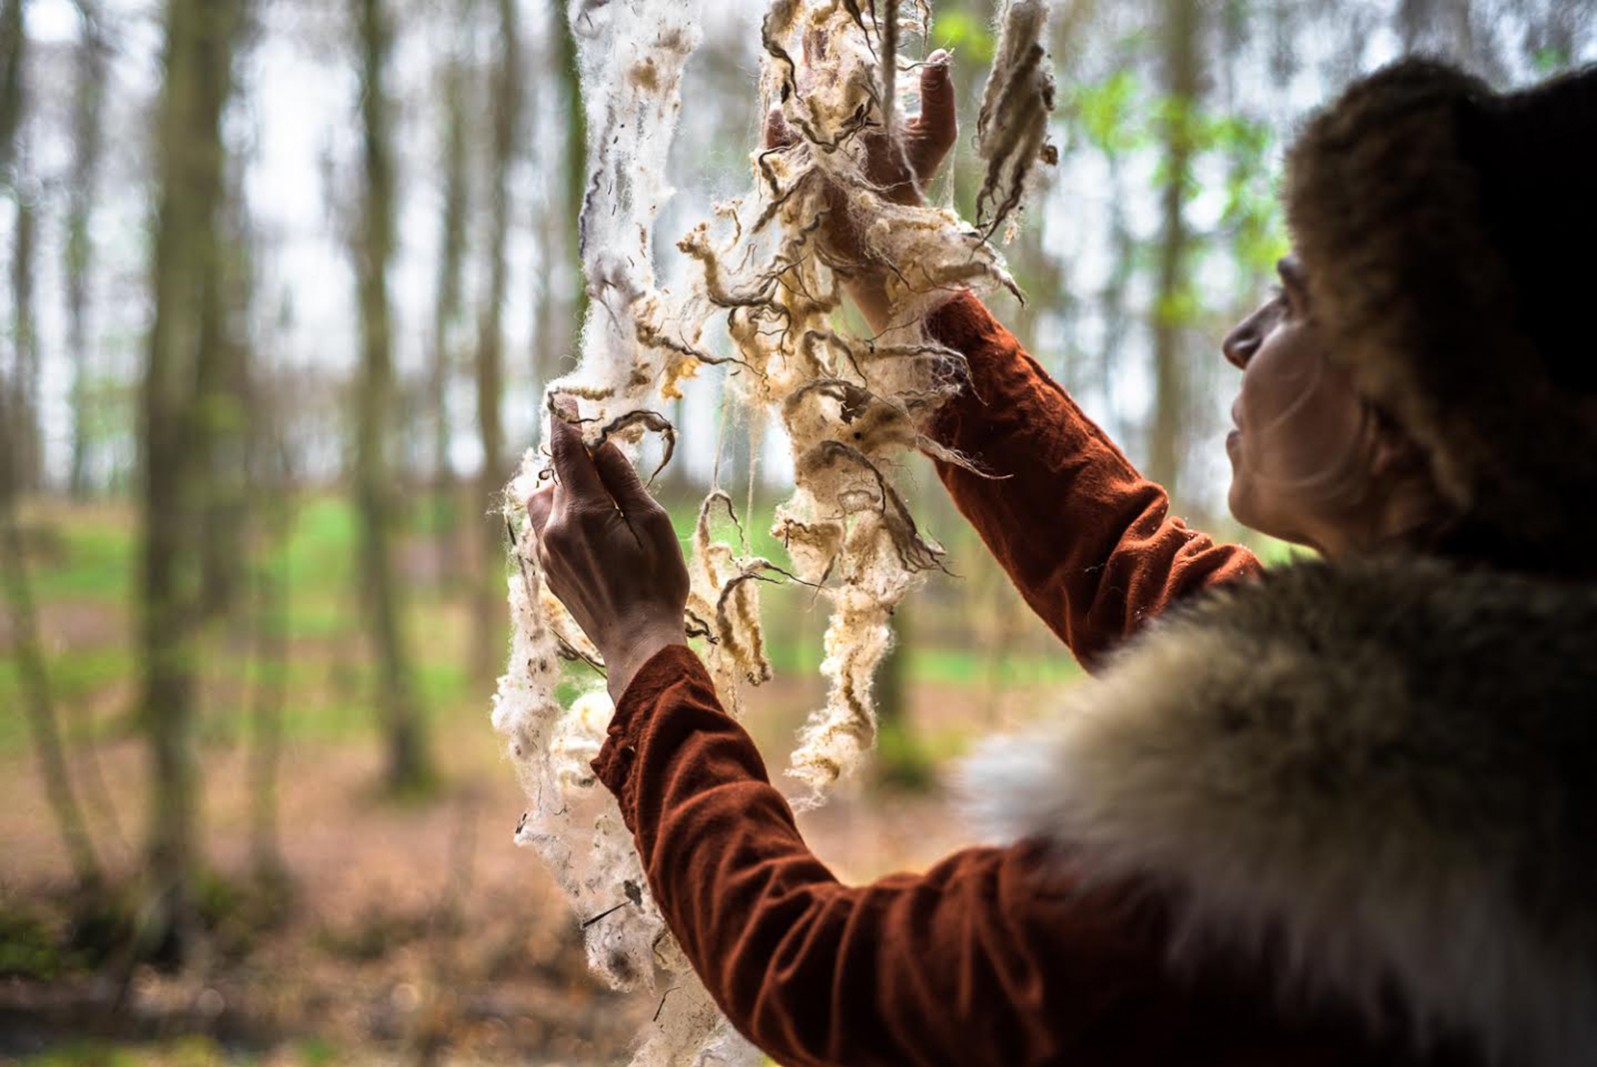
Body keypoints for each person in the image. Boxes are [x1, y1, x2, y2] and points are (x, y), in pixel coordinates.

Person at [525, 55, 1597, 1067]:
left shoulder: (1307, 831)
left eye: (1297, 302)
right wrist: (897, 272)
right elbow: (1123, 563)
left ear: (1408, 419)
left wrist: (640, 648)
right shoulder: (1495, 684)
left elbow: (830, 976)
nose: (1241, 336)